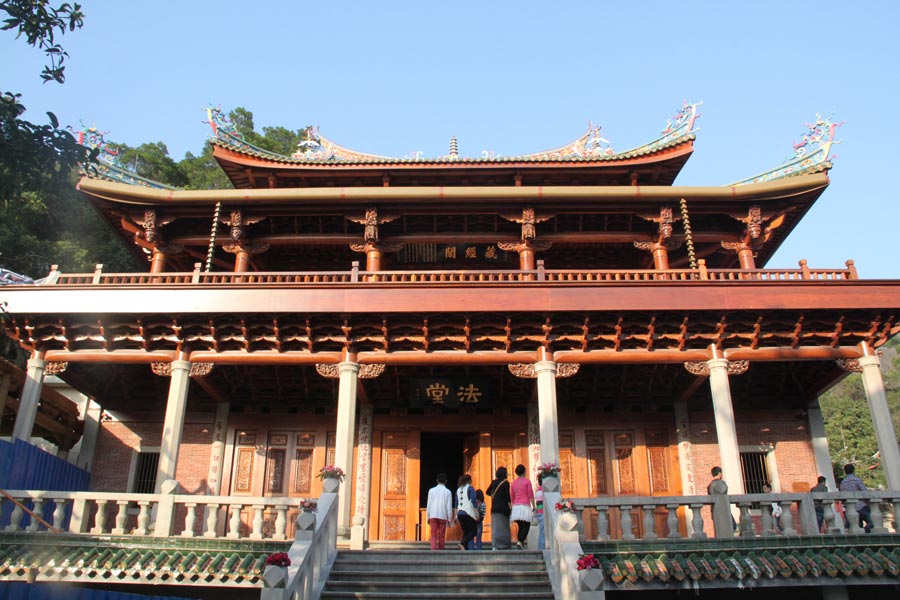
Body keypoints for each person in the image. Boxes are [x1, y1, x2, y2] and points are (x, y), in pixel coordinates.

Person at [839, 464, 872, 533]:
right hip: (861, 506)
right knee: (873, 522)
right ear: (853, 471)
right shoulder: (857, 480)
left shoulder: (843, 483)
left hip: (851, 509)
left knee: (857, 527)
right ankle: (865, 530)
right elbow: (865, 492)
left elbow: (842, 496)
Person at [510, 464, 535, 550]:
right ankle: (520, 541)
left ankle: (520, 542)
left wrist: (513, 505)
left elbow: (512, 496)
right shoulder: (527, 481)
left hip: (516, 506)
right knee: (526, 526)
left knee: (520, 526)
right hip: (525, 506)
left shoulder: (513, 483)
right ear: (524, 471)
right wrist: (534, 505)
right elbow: (530, 494)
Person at [425, 473, 453, 550]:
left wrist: (428, 515)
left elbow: (429, 504)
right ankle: (441, 549)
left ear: (437, 481)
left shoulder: (431, 491)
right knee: (442, 534)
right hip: (443, 515)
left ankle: (433, 548)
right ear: (446, 481)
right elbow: (449, 506)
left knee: (433, 534)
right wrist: (449, 518)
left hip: (433, 515)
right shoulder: (448, 492)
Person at [486, 466, 512, 550]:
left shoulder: (494, 482)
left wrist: (494, 495)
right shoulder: (505, 483)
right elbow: (507, 497)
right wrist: (510, 507)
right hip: (503, 508)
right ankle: (505, 544)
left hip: (494, 508)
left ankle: (495, 545)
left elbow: (487, 492)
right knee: (504, 527)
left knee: (495, 528)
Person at [707, 466, 736, 532]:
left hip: (714, 510)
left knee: (719, 530)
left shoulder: (710, 485)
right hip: (723, 508)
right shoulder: (721, 484)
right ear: (719, 473)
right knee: (731, 527)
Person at [455, 473, 478, 550]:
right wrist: (476, 512)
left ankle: (465, 548)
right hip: (467, 512)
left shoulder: (458, 490)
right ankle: (462, 543)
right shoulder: (470, 488)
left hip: (460, 513)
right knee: (473, 531)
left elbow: (456, 504)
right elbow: (473, 501)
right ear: (469, 480)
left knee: (466, 531)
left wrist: (455, 515)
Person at [534, 474, 545, 550]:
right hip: (543, 513)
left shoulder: (538, 491)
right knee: (543, 532)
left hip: (539, 513)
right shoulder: (544, 491)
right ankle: (541, 548)